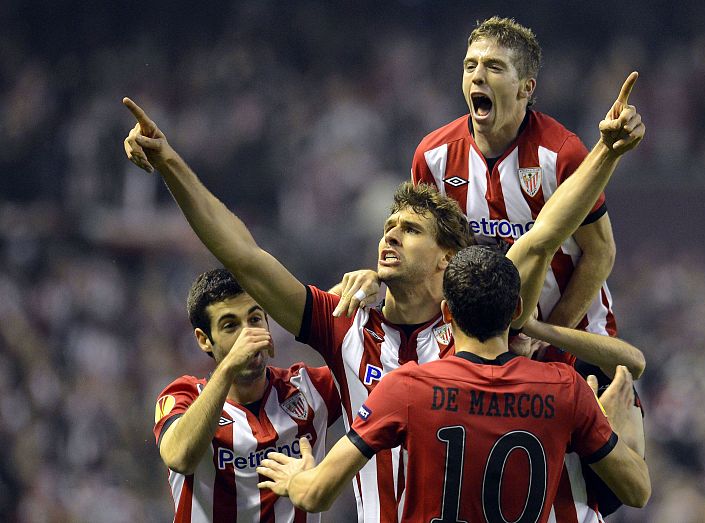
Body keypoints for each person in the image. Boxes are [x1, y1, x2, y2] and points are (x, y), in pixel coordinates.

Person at [124, 70, 643, 522]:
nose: (389, 235)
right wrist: (170, 162)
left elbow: (541, 237)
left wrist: (606, 152)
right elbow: (243, 256)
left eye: (409, 230)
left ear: (446, 259)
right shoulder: (345, 321)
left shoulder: (478, 319)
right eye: (388, 226)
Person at [256, 246, 650, 523]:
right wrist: (611, 429)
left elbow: (315, 493)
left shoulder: (405, 388)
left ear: (446, 312)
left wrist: (295, 479)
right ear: (515, 310)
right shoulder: (564, 388)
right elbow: (638, 492)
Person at [411, 16, 641, 378]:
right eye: (470, 65)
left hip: (572, 340)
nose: (478, 76)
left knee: (621, 430)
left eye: (494, 67)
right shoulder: (433, 157)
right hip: (483, 351)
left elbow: (600, 251)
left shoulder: (561, 153)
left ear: (525, 87)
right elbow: (427, 255)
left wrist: (545, 338)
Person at [153, 268, 341, 522]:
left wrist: (366, 286)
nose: (248, 335)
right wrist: (230, 365)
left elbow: (372, 361)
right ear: (204, 340)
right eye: (230, 326)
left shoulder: (310, 390)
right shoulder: (184, 395)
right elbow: (179, 457)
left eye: (254, 320)